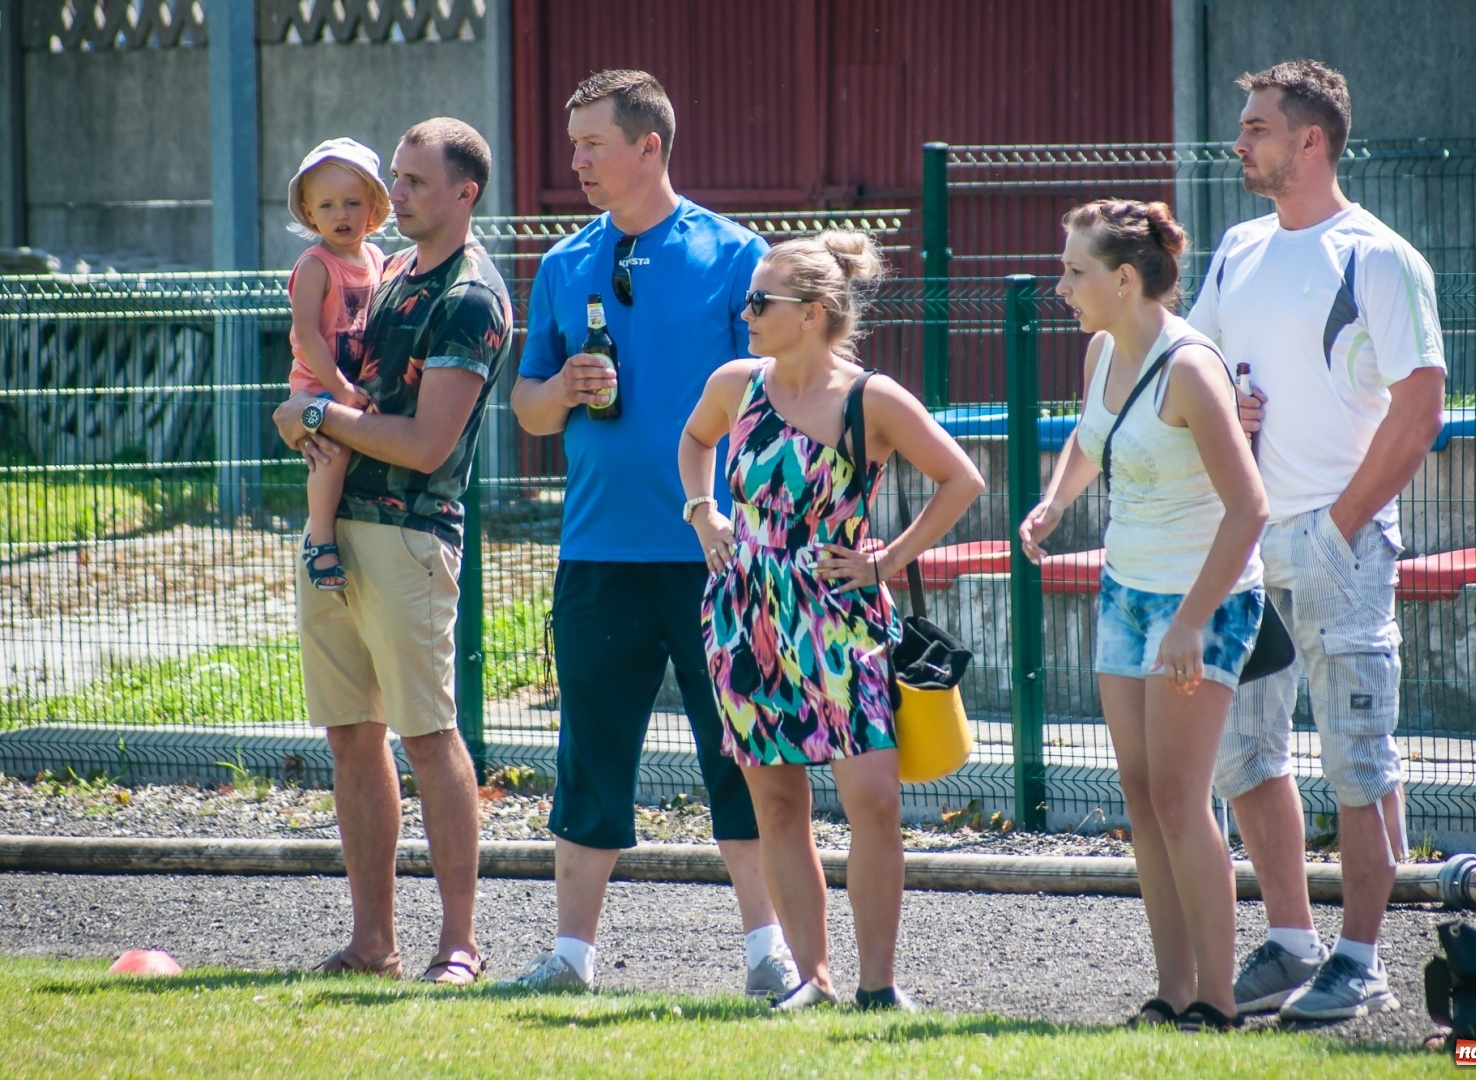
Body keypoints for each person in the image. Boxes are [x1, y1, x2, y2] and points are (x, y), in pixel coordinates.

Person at [504, 70, 795, 997]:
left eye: (592, 143)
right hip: (595, 553)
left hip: (718, 554)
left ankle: (768, 955)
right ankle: (570, 958)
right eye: (573, 141)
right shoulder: (562, 265)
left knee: (739, 755)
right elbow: (529, 410)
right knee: (589, 757)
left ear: (649, 147)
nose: (575, 160)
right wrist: (561, 391)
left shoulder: (737, 256)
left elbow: (780, 394)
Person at [1186, 60, 1446, 1020]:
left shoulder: (1377, 256)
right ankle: (1293, 942)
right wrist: (1230, 404)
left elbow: (1421, 411)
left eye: (1256, 127)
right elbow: (1199, 371)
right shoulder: (1238, 248)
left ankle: (1361, 957)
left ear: (1311, 141)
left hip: (1343, 544)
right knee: (1245, 755)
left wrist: (1339, 530)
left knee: (1358, 759)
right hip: (1251, 547)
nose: (1240, 141)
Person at [681, 231, 984, 1011]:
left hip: (839, 617)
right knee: (776, 804)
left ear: (812, 313)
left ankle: (877, 984)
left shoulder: (870, 400)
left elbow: (962, 479)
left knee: (874, 799)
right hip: (745, 612)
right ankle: (810, 982)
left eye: (760, 301)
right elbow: (693, 440)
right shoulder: (735, 383)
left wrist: (887, 562)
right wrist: (703, 510)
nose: (744, 312)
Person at [271, 118, 511, 986]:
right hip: (333, 534)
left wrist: (312, 416)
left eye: (411, 182)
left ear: (463, 194)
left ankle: (459, 946)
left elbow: (426, 443)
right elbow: (327, 371)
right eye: (395, 179)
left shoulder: (471, 297)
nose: (391, 195)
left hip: (409, 539)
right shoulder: (395, 271)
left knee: (428, 735)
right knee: (349, 737)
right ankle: (373, 943)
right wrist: (313, 414)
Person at [1019, 201, 1268, 1031]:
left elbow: (1249, 509)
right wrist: (1054, 502)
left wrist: (1193, 621)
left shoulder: (1191, 368)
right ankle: (1172, 991)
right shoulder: (1102, 351)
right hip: (1124, 592)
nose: (1061, 287)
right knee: (1140, 792)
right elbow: (1093, 439)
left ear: (1125, 280)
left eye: (1074, 272)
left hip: (1203, 602)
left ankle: (1219, 1001)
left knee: (1178, 793)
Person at [284, 138, 391, 592]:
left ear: (373, 208)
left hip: (356, 381)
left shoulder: (375, 259)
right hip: (319, 384)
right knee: (333, 450)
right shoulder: (315, 265)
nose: (341, 215)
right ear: (310, 214)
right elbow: (308, 334)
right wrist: (341, 390)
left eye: (352, 203)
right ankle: (320, 539)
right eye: (327, 206)